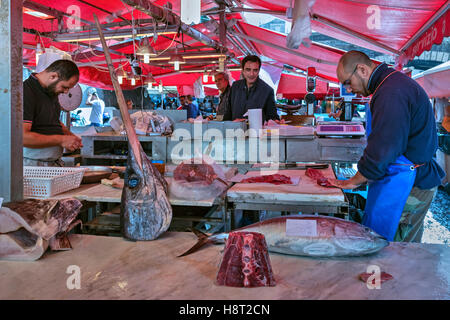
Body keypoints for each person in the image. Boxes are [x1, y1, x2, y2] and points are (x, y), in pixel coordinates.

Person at [328, 50, 445, 243]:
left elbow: (384, 147)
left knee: (398, 253)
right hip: (406, 179)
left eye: (348, 83)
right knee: (398, 249)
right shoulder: (390, 85)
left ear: (362, 70)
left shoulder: (390, 92)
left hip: (411, 184)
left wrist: (356, 180)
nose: (348, 90)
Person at [23, 59, 83, 167]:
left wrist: (70, 136)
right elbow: (22, 137)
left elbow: (54, 120)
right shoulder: (26, 92)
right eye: (65, 87)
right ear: (53, 76)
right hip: (33, 165)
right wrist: (61, 139)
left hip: (53, 162)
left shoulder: (51, 91)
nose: (65, 92)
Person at [224, 55, 279, 122]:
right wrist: (231, 124)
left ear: (259, 71)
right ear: (243, 70)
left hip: (257, 132)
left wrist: (277, 122)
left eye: (255, 70)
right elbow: (227, 115)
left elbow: (272, 118)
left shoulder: (267, 90)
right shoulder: (235, 86)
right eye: (248, 70)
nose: (251, 74)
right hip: (235, 131)